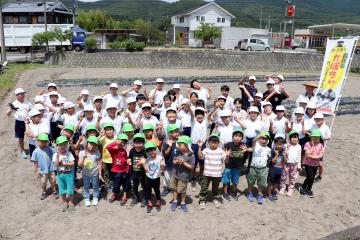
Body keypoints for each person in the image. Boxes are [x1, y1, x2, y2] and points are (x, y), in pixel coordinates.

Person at [198, 134, 228, 210]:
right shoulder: (206, 150)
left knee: (215, 188)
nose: (213, 143)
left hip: (217, 174)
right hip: (206, 173)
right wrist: (199, 147)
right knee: (204, 187)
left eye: (215, 141)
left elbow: (226, 161)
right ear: (209, 142)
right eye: (212, 141)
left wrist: (227, 155)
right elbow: (200, 156)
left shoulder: (221, 151)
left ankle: (215, 198)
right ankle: (202, 200)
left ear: (218, 143)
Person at [222, 128, 250, 201]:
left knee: (235, 181)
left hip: (237, 168)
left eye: (240, 136)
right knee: (226, 180)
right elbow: (223, 150)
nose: (237, 138)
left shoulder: (243, 145)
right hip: (228, 166)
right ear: (232, 137)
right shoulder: (228, 145)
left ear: (242, 138)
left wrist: (246, 149)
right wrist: (225, 152)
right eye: (236, 135)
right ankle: (225, 192)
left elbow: (251, 149)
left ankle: (233, 192)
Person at [170, 135, 195, 212]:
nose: (178, 146)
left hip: (184, 176)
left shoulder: (191, 155)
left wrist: (183, 162)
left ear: (187, 145)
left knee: (182, 190)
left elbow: (192, 167)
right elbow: (173, 161)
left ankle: (183, 202)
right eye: (178, 144)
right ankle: (175, 201)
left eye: (180, 144)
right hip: (175, 174)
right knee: (174, 188)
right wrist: (175, 161)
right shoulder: (178, 152)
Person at [6, 88, 32, 159]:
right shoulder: (14, 104)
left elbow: (31, 109)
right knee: (21, 138)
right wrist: (11, 109)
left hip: (28, 121)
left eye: (23, 93)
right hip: (19, 122)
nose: (23, 95)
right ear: (17, 95)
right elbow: (7, 114)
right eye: (21, 94)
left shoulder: (27, 102)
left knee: (31, 136)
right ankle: (22, 150)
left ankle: (32, 149)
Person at [247, 131, 271, 204]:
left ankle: (259, 194)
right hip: (253, 167)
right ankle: (249, 192)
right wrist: (259, 135)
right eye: (262, 138)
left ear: (268, 140)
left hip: (263, 169)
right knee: (250, 181)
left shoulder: (268, 149)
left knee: (261, 183)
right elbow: (253, 140)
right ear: (259, 139)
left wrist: (267, 167)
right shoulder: (256, 145)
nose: (264, 140)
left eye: (266, 139)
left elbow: (269, 159)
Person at [31, 133, 57, 200]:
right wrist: (36, 170)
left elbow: (55, 153)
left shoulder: (49, 148)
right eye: (41, 141)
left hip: (51, 168)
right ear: (37, 141)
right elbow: (35, 161)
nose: (43, 143)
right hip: (42, 170)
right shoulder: (36, 151)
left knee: (53, 180)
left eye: (45, 142)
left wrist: (55, 146)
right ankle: (44, 192)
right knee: (43, 182)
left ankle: (54, 191)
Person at [141, 141, 165, 213]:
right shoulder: (147, 159)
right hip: (148, 178)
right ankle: (149, 203)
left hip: (156, 178)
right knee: (148, 190)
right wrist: (143, 164)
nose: (152, 152)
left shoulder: (160, 158)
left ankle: (158, 202)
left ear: (155, 149)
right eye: (149, 151)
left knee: (157, 190)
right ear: (147, 152)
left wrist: (162, 165)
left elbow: (162, 170)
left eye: (153, 150)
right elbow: (147, 170)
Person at [106, 133, 130, 205]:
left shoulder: (124, 151)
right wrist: (116, 142)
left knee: (125, 183)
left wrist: (128, 166)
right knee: (116, 184)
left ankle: (125, 195)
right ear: (118, 141)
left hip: (124, 170)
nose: (122, 143)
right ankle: (114, 194)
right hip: (116, 171)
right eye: (121, 141)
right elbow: (108, 146)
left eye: (124, 142)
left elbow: (125, 160)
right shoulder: (114, 149)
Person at [53, 136, 76, 212]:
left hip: (69, 174)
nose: (63, 146)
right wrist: (57, 157)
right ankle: (63, 201)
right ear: (57, 146)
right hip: (60, 174)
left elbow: (72, 163)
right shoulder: (55, 155)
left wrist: (65, 164)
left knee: (70, 189)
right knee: (62, 189)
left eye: (65, 144)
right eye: (61, 145)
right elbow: (56, 164)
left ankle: (71, 201)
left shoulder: (69, 153)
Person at [78, 136, 102, 207]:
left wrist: (100, 174)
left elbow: (99, 164)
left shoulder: (97, 152)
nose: (92, 146)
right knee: (86, 186)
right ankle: (86, 198)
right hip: (85, 174)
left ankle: (95, 197)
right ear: (87, 143)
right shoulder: (82, 153)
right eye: (91, 144)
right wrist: (83, 158)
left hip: (95, 173)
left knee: (95, 185)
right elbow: (79, 164)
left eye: (94, 144)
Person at [300, 129, 324, 198]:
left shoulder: (320, 145)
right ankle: (305, 188)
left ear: (320, 138)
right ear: (311, 137)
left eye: (318, 137)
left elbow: (320, 155)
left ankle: (307, 189)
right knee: (310, 177)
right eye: (314, 137)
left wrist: (312, 157)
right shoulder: (308, 144)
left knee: (312, 178)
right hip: (308, 164)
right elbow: (307, 153)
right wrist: (312, 147)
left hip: (316, 164)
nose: (316, 139)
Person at [310, 112, 332, 183]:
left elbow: (329, 137)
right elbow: (310, 132)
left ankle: (320, 176)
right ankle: (312, 173)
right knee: (312, 159)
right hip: (312, 144)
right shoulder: (313, 125)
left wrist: (321, 137)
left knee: (320, 163)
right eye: (316, 119)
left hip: (320, 145)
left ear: (323, 119)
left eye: (320, 119)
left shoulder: (326, 127)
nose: (318, 121)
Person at [280, 130, 302, 196]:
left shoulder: (299, 146)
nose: (294, 139)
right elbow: (283, 151)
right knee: (284, 176)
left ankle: (290, 189)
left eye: (296, 137)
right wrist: (287, 147)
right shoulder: (286, 145)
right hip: (286, 164)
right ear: (289, 138)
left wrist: (299, 166)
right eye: (292, 137)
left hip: (294, 165)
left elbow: (299, 156)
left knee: (292, 177)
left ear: (298, 138)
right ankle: (282, 187)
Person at [161, 124, 180, 197]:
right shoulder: (166, 142)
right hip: (169, 163)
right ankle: (166, 188)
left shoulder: (180, 141)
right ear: (170, 133)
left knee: (176, 176)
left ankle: (174, 188)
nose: (177, 133)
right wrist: (170, 146)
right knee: (167, 176)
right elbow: (165, 154)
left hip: (177, 164)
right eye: (175, 132)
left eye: (177, 131)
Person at [98, 122, 117, 199]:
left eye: (110, 129)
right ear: (105, 131)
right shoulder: (103, 138)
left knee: (113, 174)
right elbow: (96, 142)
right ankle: (107, 186)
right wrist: (101, 135)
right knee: (106, 174)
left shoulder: (116, 137)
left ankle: (112, 186)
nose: (109, 131)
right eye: (107, 130)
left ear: (113, 130)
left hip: (114, 160)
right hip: (105, 160)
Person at [128, 133, 147, 207]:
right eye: (136, 143)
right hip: (134, 172)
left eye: (140, 143)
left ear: (143, 143)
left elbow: (149, 161)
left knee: (144, 186)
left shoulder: (145, 151)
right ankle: (135, 198)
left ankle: (145, 198)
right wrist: (128, 161)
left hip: (143, 173)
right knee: (134, 186)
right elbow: (129, 158)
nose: (138, 145)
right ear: (133, 143)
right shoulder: (132, 151)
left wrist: (144, 162)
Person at [267, 136, 286, 201]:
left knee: (276, 183)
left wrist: (284, 156)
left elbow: (285, 162)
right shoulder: (272, 151)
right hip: (272, 171)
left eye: (281, 145)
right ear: (275, 144)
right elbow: (272, 161)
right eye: (278, 144)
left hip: (279, 171)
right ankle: (269, 193)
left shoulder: (283, 152)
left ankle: (273, 192)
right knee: (270, 183)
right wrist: (277, 155)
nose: (279, 146)